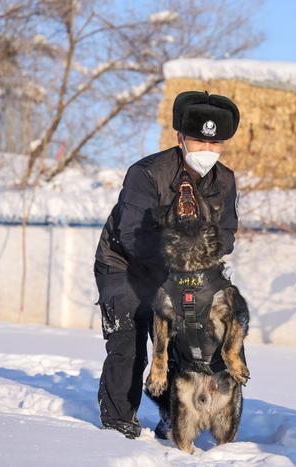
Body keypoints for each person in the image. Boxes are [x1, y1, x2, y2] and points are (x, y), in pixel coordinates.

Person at [93, 91, 240, 438]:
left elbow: (227, 235)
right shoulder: (146, 173)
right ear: (180, 138)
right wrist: (179, 261)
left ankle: (172, 415)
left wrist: (201, 261)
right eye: (198, 141)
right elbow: (133, 235)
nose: (206, 149)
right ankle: (117, 420)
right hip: (124, 265)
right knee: (129, 338)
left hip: (185, 273)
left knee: (186, 342)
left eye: (215, 142)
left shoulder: (225, 180)